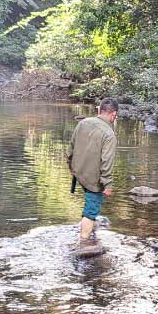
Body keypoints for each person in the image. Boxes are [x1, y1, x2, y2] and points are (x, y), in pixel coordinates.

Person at [68, 98, 119, 248]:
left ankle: (92, 233)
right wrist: (107, 184)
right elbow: (106, 162)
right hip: (93, 179)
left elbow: (71, 146)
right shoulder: (109, 134)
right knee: (91, 210)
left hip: (79, 172)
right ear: (114, 114)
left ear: (99, 110)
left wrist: (70, 165)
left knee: (90, 206)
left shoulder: (83, 123)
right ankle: (83, 243)